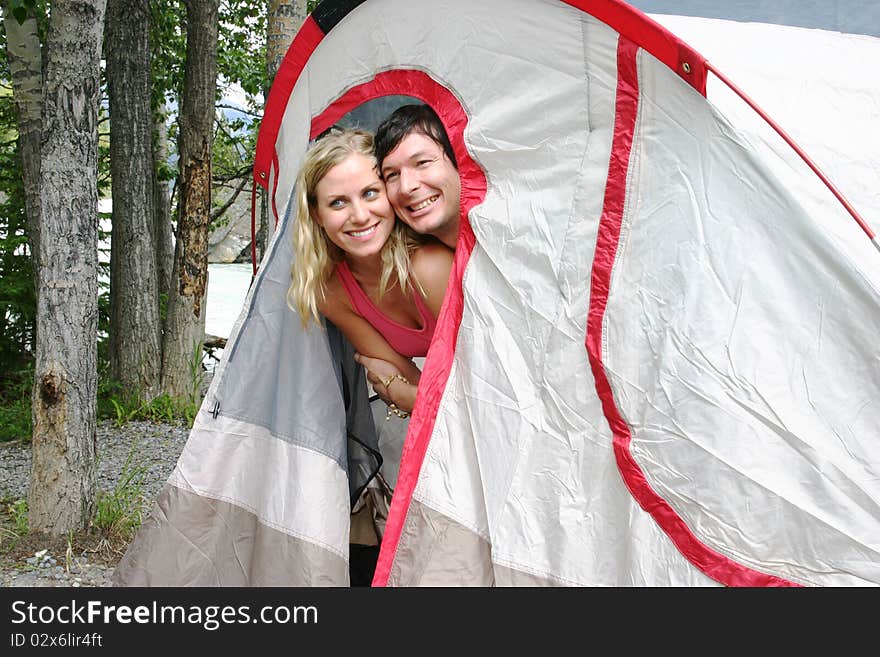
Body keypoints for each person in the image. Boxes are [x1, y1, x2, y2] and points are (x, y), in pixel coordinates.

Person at [287, 128, 453, 417]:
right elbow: (407, 377)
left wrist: (407, 396)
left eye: (370, 193)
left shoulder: (432, 267)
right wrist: (408, 393)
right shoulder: (331, 292)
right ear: (316, 215)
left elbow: (482, 385)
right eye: (338, 202)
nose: (360, 215)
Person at [354, 104, 464, 411]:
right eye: (392, 175)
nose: (407, 186)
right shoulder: (428, 258)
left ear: (460, 162)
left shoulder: (501, 247)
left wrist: (405, 397)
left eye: (423, 162)